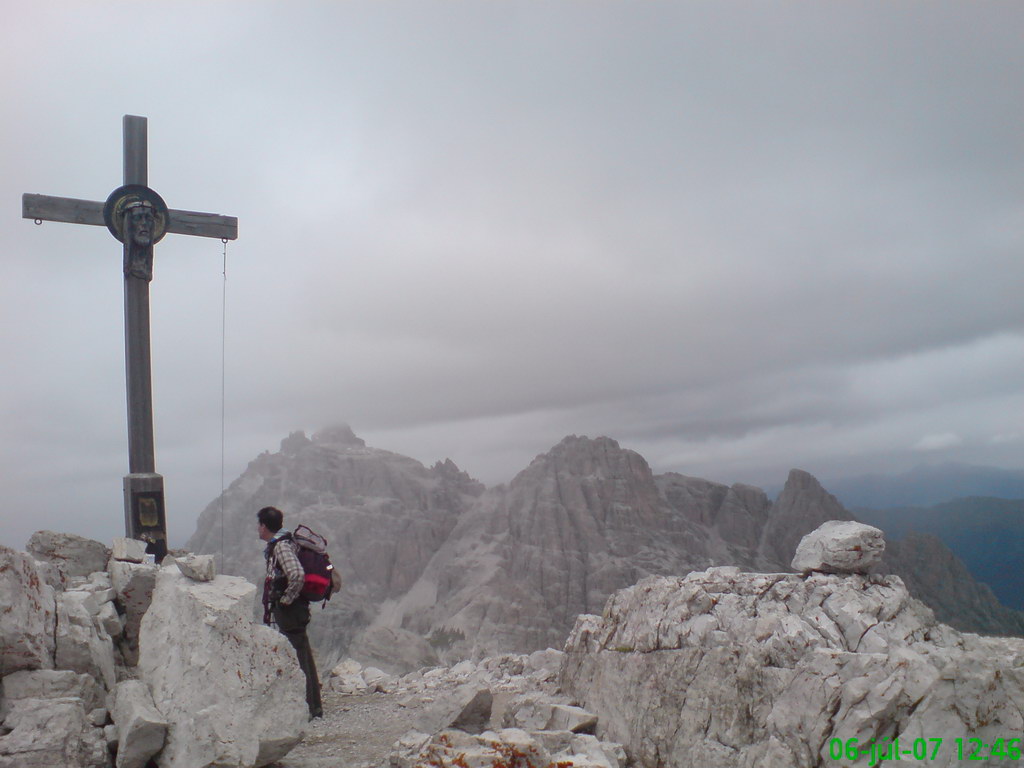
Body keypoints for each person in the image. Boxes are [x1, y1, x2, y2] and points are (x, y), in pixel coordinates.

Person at [257, 506, 323, 719]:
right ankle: (313, 705)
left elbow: (296, 574)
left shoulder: (281, 547)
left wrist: (285, 600)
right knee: (302, 653)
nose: (257, 529)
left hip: (290, 609)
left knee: (297, 656)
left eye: (259, 525)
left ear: (264, 526)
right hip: (295, 608)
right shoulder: (285, 542)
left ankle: (308, 709)